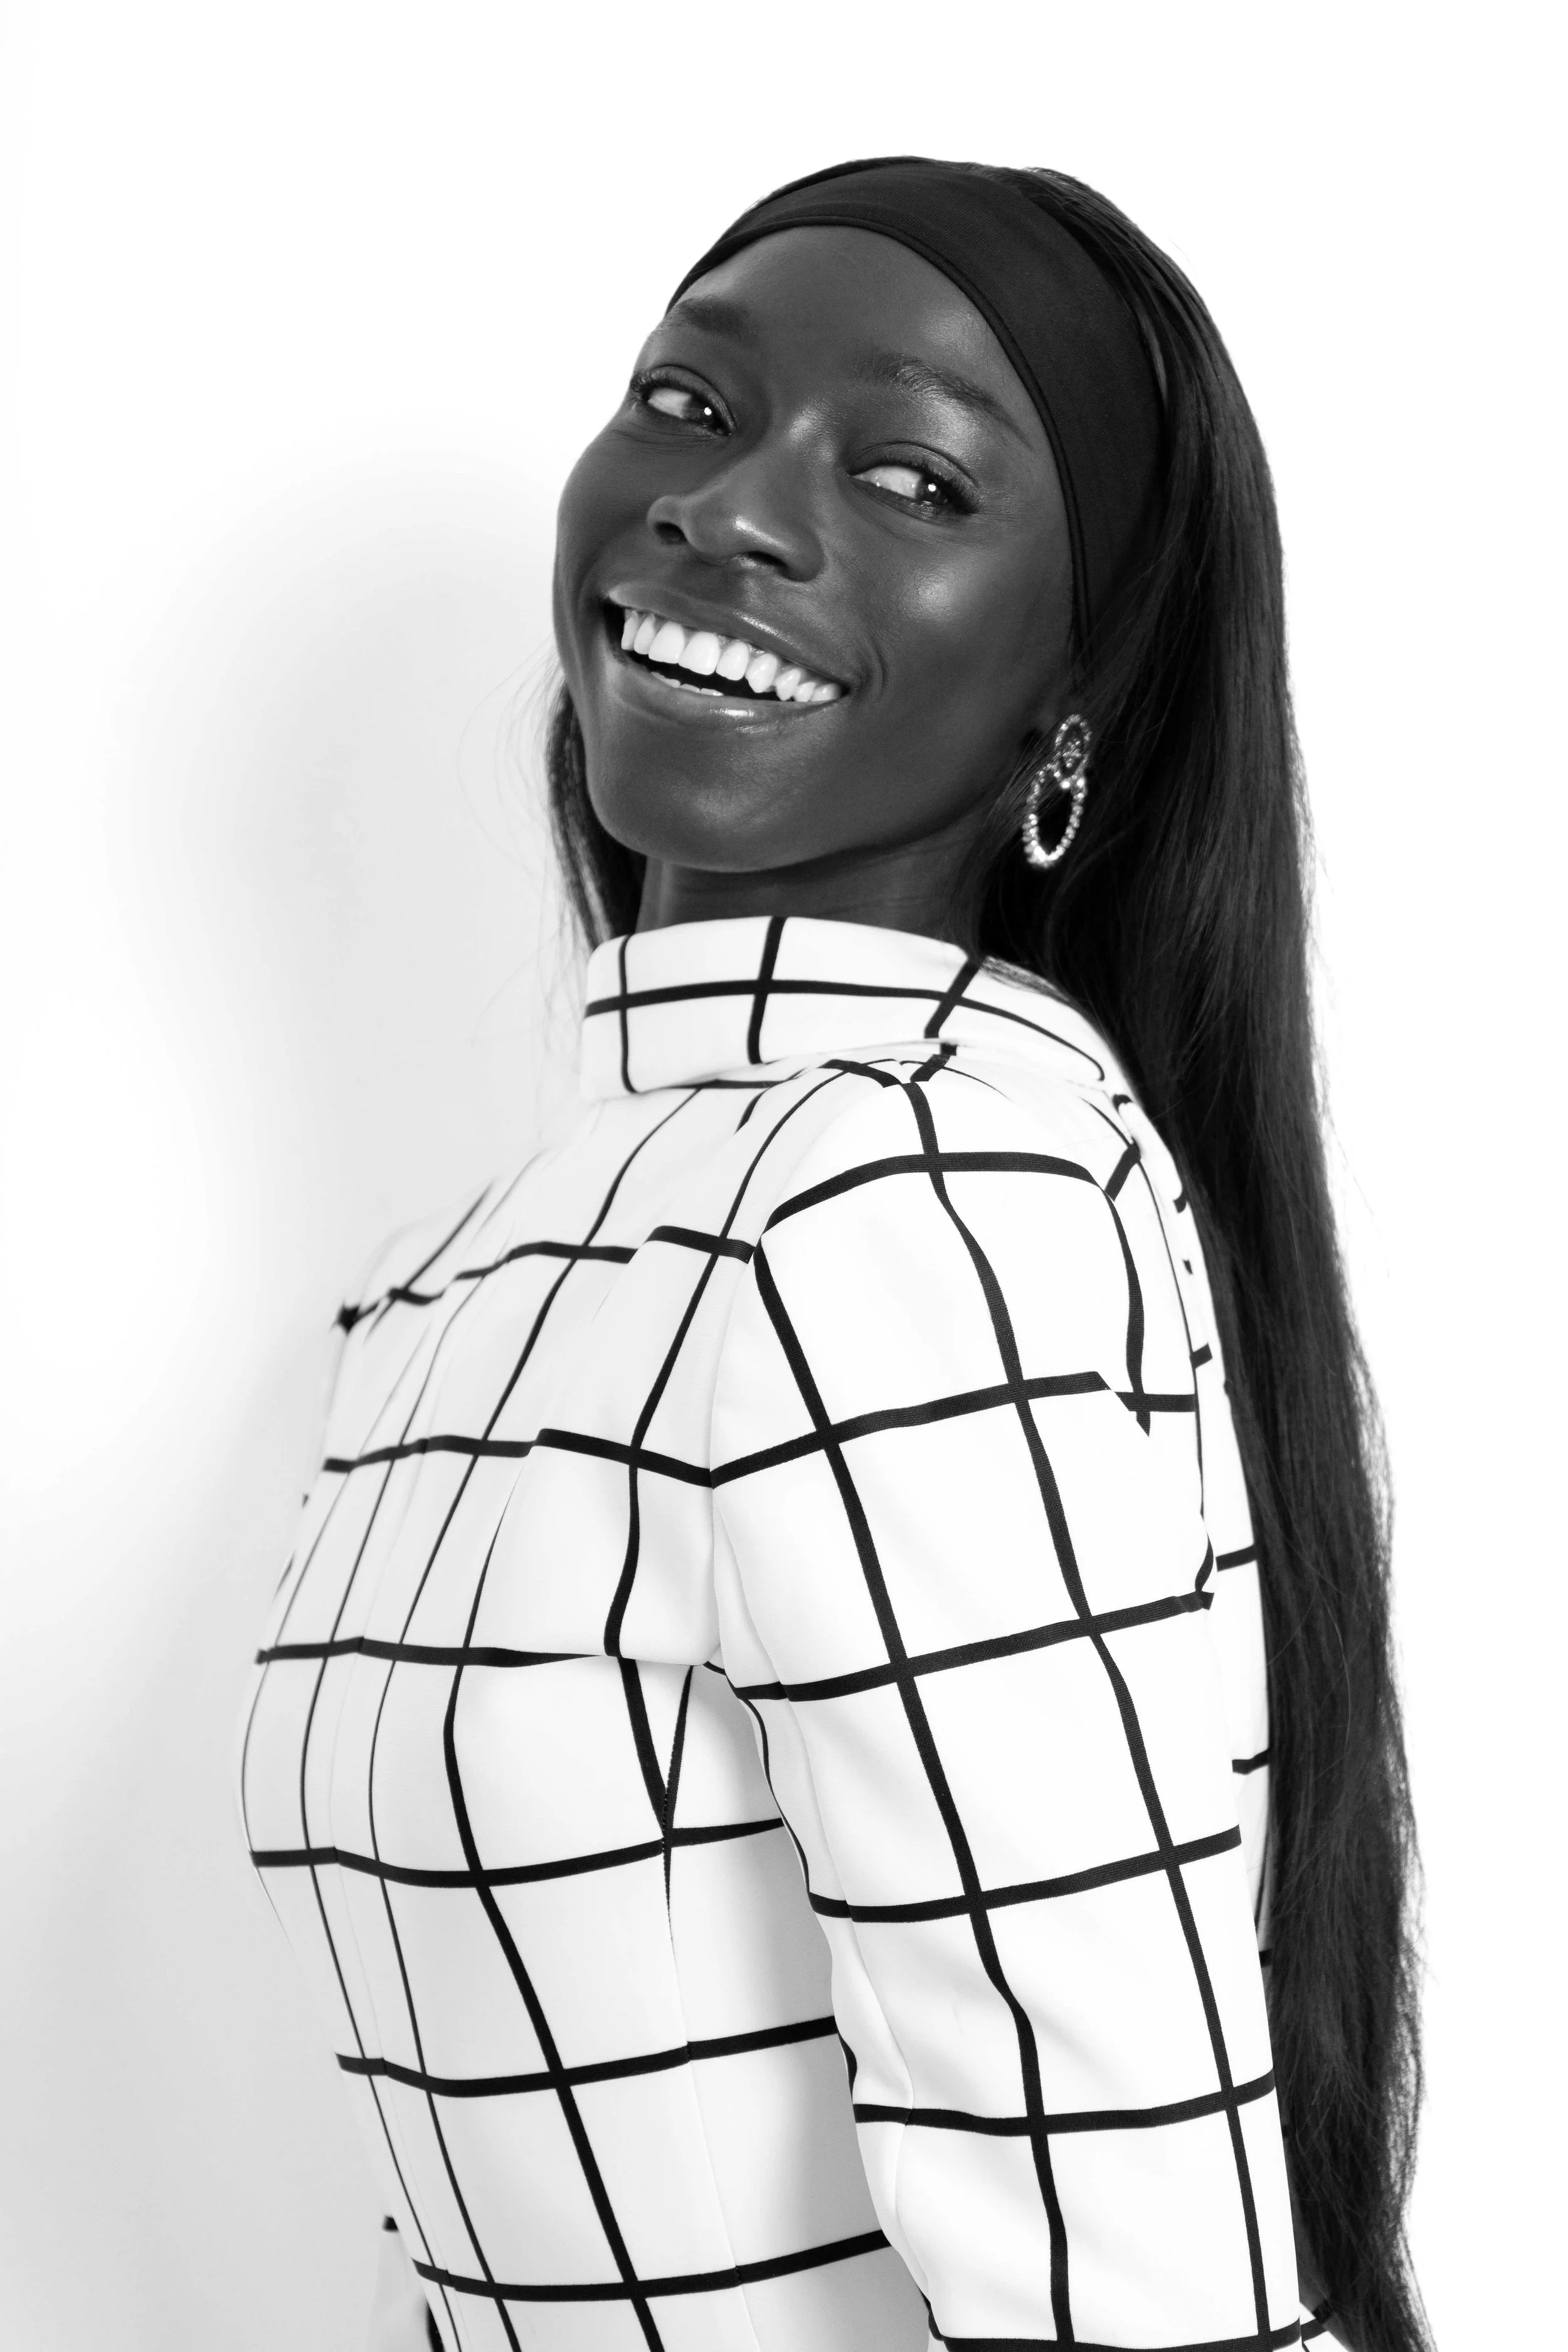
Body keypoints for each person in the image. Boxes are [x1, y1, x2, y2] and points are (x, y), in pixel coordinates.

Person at [240, 158, 1428, 2352]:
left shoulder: (905, 1197)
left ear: (1067, 714)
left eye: (906, 474)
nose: (730, 509)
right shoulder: (458, 1285)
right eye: (686, 406)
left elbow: (1111, 2222)